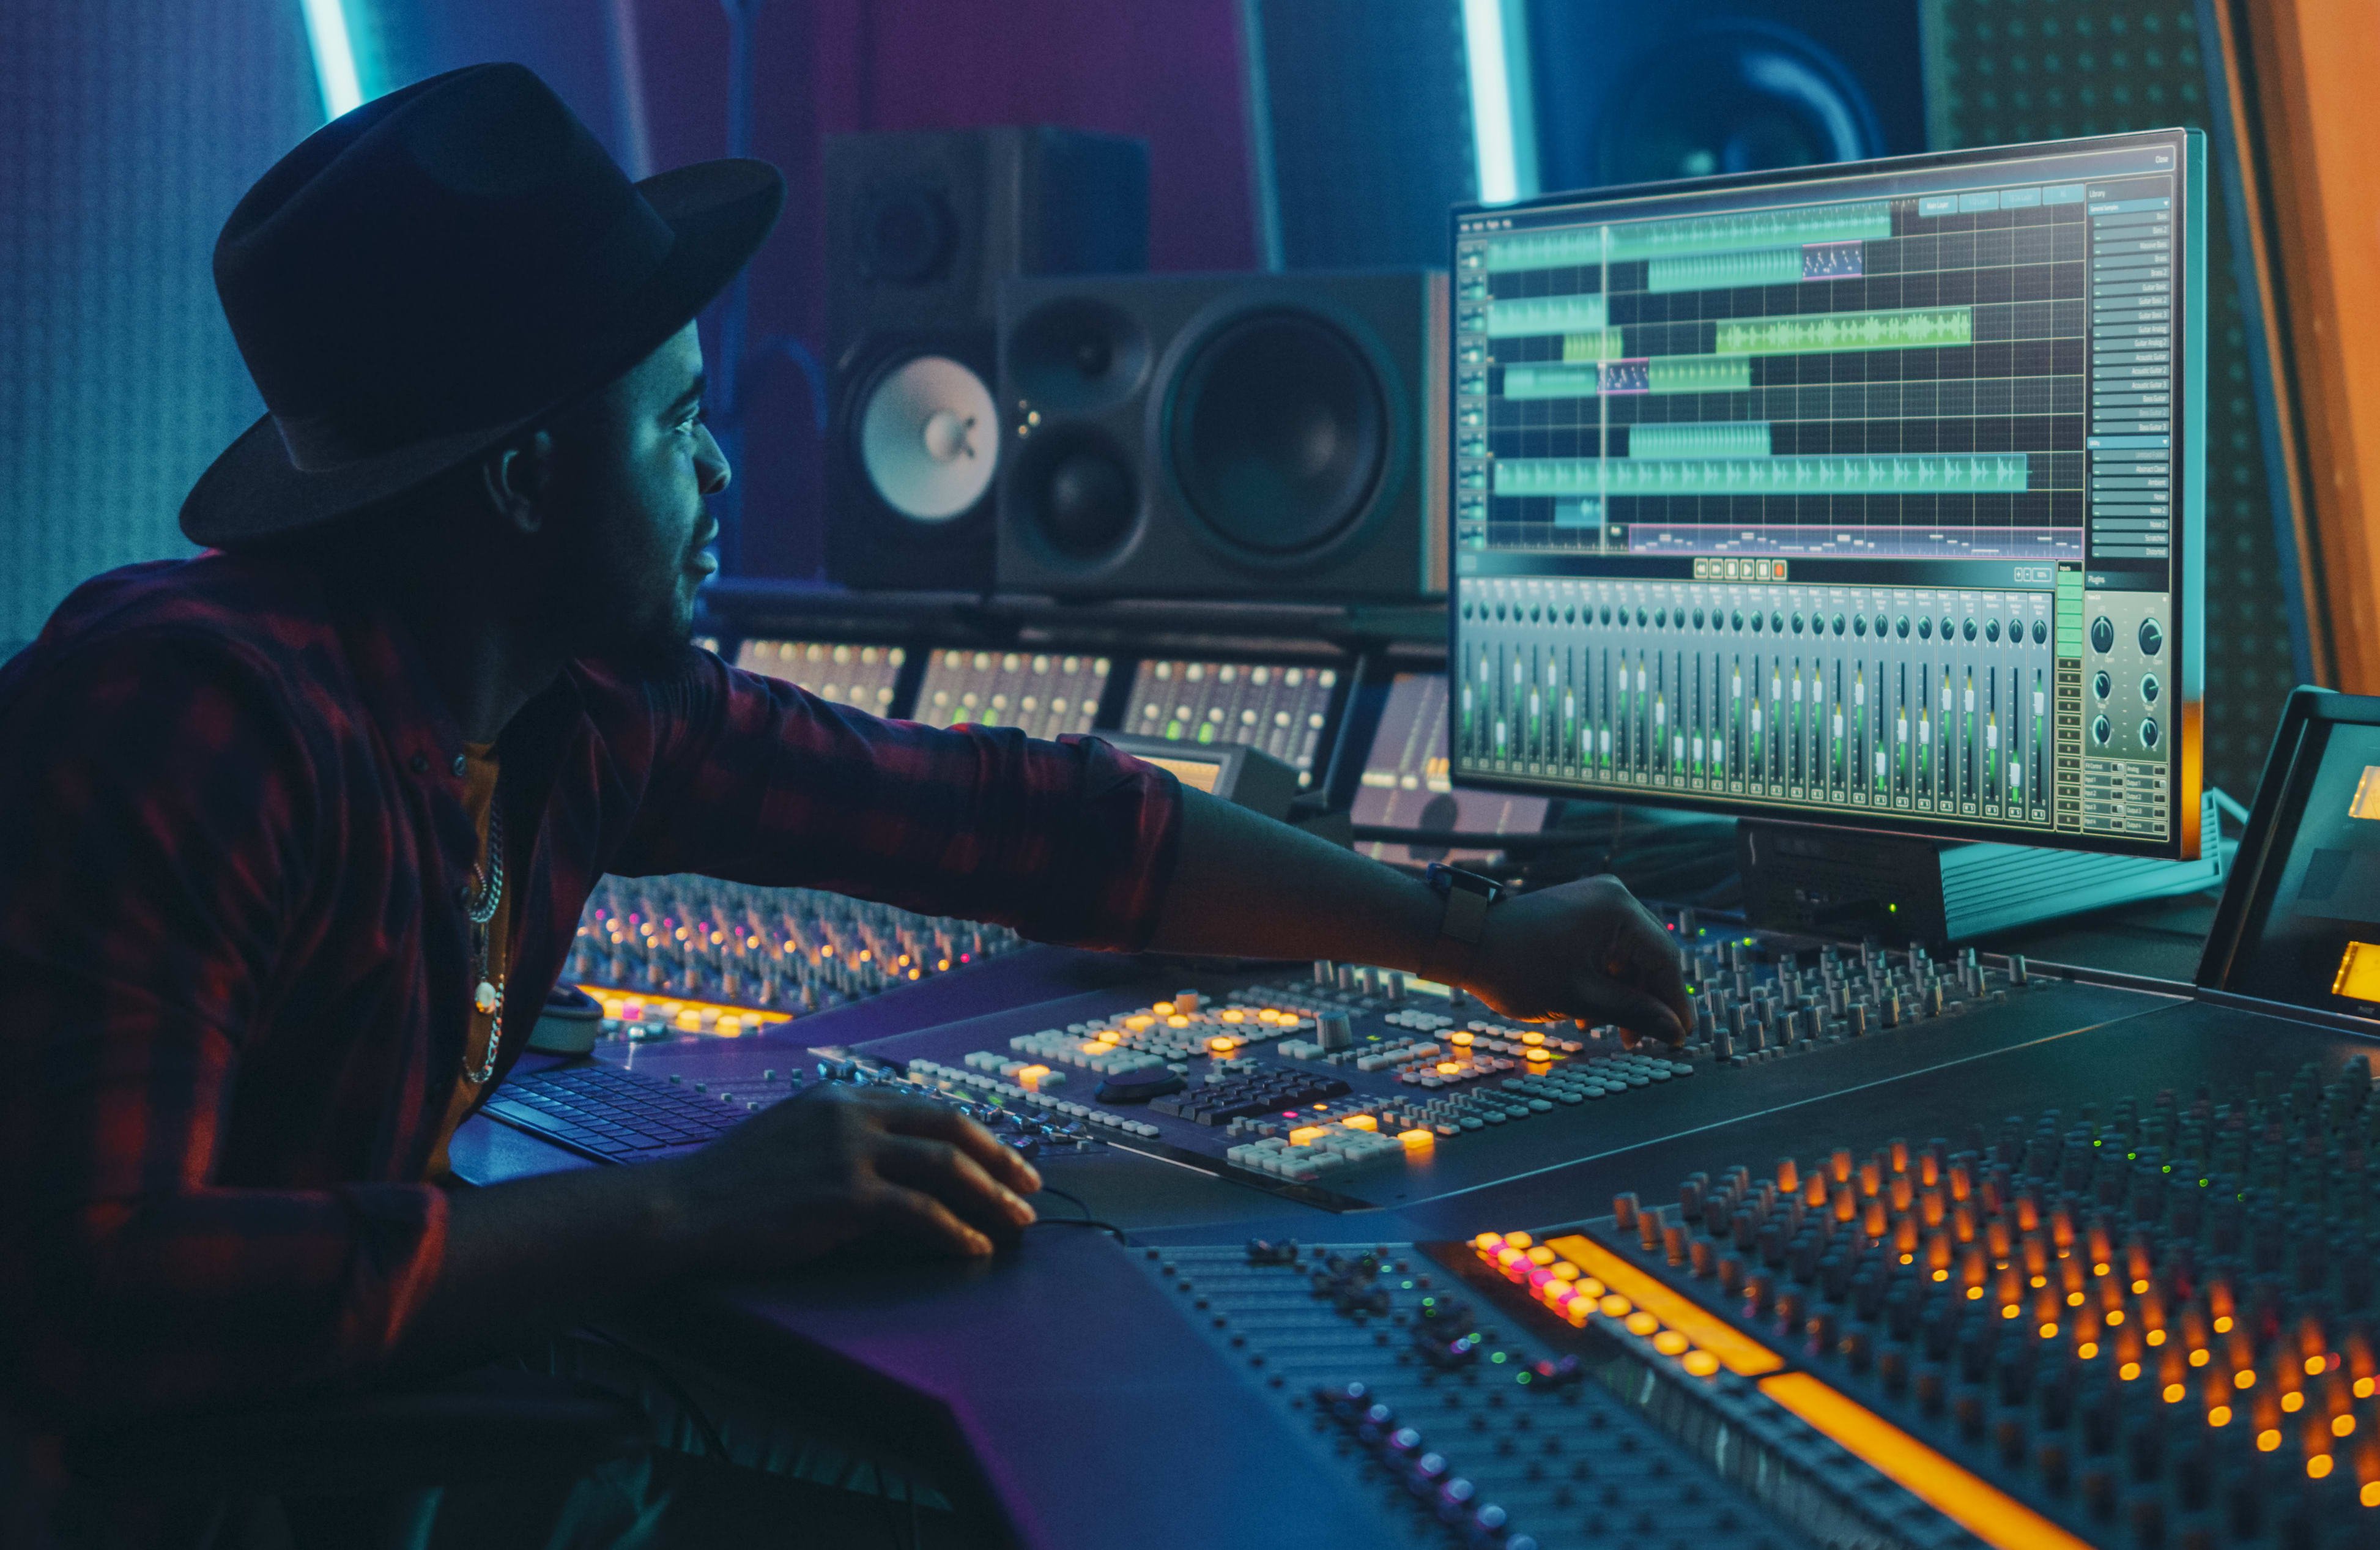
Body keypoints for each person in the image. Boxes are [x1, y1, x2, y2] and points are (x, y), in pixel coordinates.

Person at [0, 64, 1690, 1548]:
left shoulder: (572, 709)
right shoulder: (193, 714)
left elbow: (1031, 824)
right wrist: (687, 1206)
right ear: (524, 479)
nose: (723, 466)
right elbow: (100, 1298)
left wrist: (1469, 936)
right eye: (673, 421)